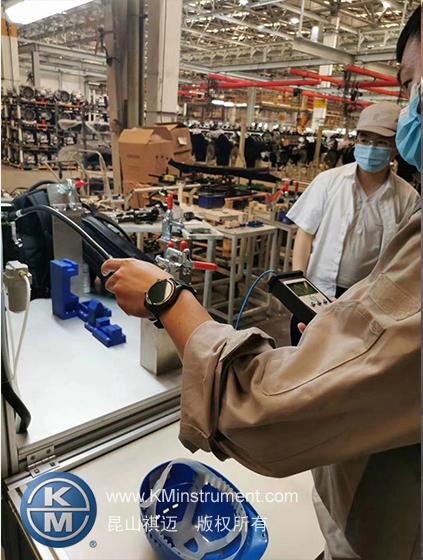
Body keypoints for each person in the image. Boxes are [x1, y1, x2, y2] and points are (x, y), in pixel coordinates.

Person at [101, 8, 421, 560]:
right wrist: (321, 304)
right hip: (339, 319)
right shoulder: (334, 183)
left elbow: (264, 407)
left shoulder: (407, 204)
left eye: (417, 86)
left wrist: (167, 298)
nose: (413, 104)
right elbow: (311, 243)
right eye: (408, 87)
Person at [287, 101, 419, 344]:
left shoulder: (407, 197)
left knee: (347, 357)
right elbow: (305, 234)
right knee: (303, 352)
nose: (371, 148)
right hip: (317, 289)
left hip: (367, 300)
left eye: (381, 142)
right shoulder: (328, 181)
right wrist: (299, 284)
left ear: (396, 148)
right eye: (364, 140)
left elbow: (402, 257)